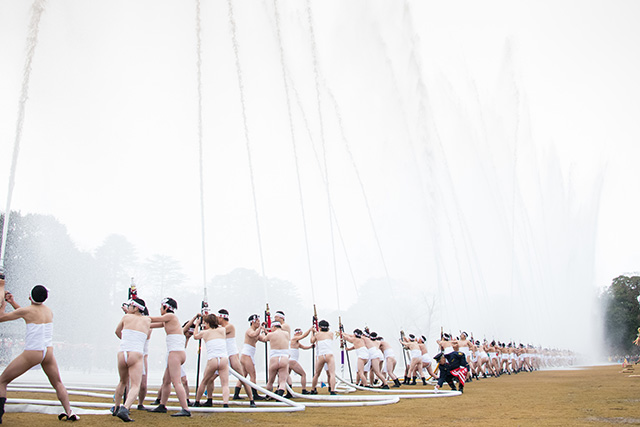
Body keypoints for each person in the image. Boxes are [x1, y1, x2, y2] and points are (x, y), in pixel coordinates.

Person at [0, 284, 78, 422]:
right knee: (58, 383)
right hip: (48, 352)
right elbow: (26, 314)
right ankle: (69, 411)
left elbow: (2, 317)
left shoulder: (27, 311)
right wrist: (12, 302)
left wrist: (3, 304)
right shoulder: (48, 311)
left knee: (2, 381)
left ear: (30, 297)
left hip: (32, 352)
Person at [148, 298, 191, 417]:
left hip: (175, 353)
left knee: (176, 382)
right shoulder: (167, 320)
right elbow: (151, 324)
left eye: (161, 307)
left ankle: (185, 409)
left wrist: (137, 317)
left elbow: (152, 319)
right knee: (166, 381)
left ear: (166, 307)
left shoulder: (170, 316)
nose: (159, 309)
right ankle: (162, 405)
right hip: (177, 352)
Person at [113, 298, 151, 422]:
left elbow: (117, 331)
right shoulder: (147, 320)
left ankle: (116, 407)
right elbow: (158, 323)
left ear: (135, 308)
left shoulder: (126, 317)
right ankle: (125, 408)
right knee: (135, 385)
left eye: (130, 306)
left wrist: (126, 339)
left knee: (122, 382)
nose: (128, 308)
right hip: (135, 353)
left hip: (123, 351)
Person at [192, 314, 230, 407]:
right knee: (225, 384)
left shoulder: (204, 333)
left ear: (208, 323)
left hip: (213, 359)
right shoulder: (222, 330)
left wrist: (197, 324)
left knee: (204, 381)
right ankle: (225, 403)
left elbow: (195, 336)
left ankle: (197, 402)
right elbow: (217, 326)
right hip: (223, 359)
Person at [218, 309, 254, 404]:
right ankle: (208, 398)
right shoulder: (220, 328)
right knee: (209, 378)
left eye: (218, 318)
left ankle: (251, 399)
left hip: (232, 354)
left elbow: (219, 332)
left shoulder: (230, 327)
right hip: (223, 355)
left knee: (242, 378)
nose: (217, 319)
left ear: (222, 318)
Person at [259, 321, 290, 396]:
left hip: (274, 358)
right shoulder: (286, 334)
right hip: (284, 357)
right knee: (282, 381)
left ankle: (268, 395)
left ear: (274, 327)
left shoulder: (271, 335)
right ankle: (279, 396)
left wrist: (263, 331)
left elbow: (263, 339)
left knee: (270, 381)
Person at [238, 314, 264, 402]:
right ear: (253, 322)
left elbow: (263, 339)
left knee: (243, 375)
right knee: (253, 375)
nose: (259, 323)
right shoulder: (249, 331)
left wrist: (266, 331)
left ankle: (236, 394)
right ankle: (254, 394)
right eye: (258, 322)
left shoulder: (256, 332)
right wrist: (260, 328)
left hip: (249, 355)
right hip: (246, 355)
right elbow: (253, 334)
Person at [309, 320, 336, 395]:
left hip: (321, 355)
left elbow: (312, 341)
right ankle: (332, 390)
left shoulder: (317, 335)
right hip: (329, 355)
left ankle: (313, 389)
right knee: (332, 374)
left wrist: (312, 332)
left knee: (317, 374)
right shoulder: (331, 334)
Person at [288, 327, 313, 394]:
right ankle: (303, 390)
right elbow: (304, 336)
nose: (300, 335)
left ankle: (287, 391)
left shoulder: (297, 342)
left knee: (286, 376)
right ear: (297, 333)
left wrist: (311, 347)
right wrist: (309, 330)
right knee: (303, 374)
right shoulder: (294, 338)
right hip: (292, 361)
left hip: (290, 361)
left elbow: (304, 347)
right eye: (300, 334)